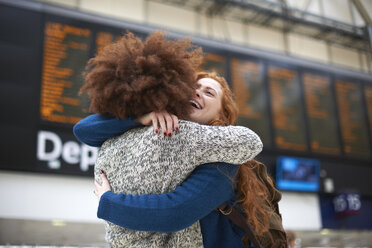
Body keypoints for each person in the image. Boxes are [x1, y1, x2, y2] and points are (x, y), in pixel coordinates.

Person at [76, 31, 264, 248]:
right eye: (193, 88)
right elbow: (84, 129)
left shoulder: (223, 158)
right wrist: (139, 117)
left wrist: (108, 202)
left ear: (221, 115)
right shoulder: (157, 127)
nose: (197, 93)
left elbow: (177, 212)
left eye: (209, 93)